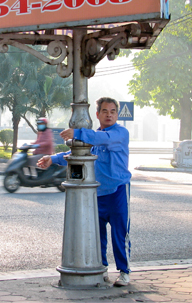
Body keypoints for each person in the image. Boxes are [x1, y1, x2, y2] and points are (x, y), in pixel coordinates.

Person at [37, 97, 132, 287]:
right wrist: (52, 158)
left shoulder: (120, 133)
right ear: (97, 115)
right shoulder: (92, 136)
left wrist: (78, 132)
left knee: (120, 234)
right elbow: (78, 155)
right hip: (97, 193)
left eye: (113, 111)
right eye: (105, 111)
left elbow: (103, 139)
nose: (109, 115)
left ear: (117, 115)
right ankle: (102, 269)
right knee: (97, 236)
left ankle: (124, 272)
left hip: (118, 190)